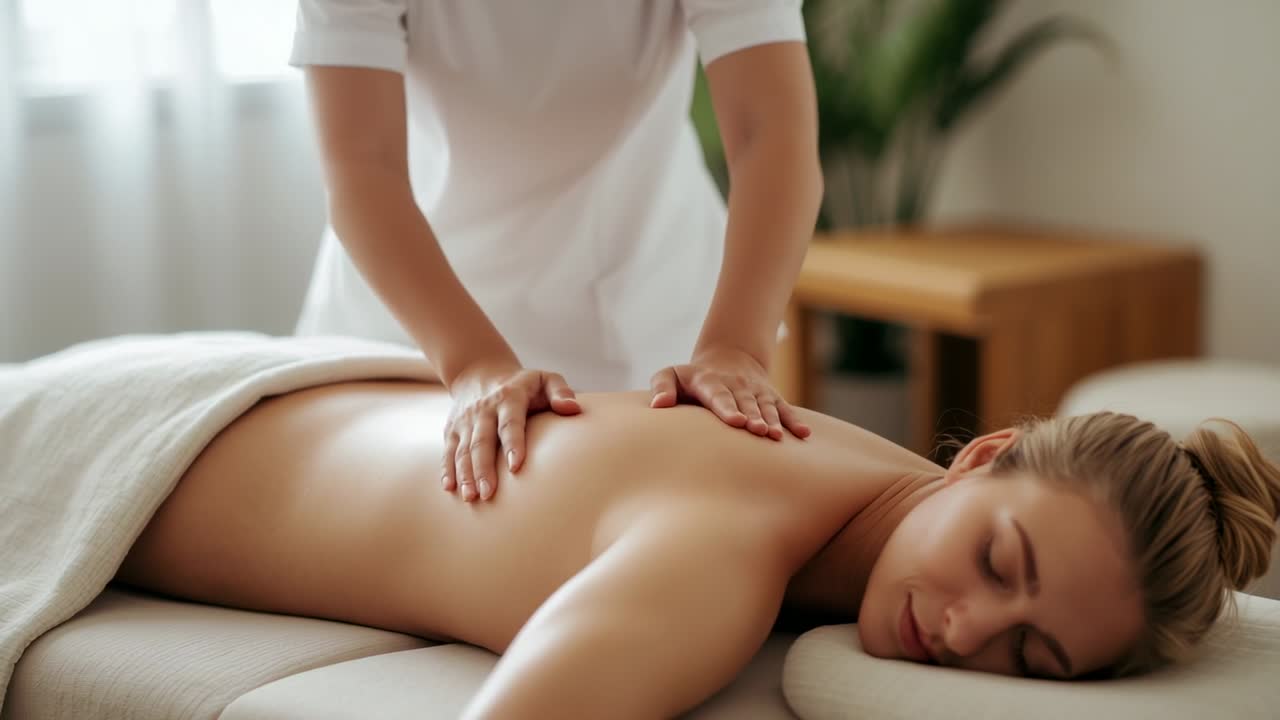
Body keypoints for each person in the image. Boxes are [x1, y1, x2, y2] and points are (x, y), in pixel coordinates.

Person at [114, 375, 1280, 718]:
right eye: (996, 563)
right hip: (147, 447)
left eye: (1030, 662)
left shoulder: (856, 465)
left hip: (319, 399)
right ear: (980, 455)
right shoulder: (720, 564)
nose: (964, 632)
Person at [288, 1, 824, 501]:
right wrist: (474, 365)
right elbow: (363, 168)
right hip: (417, 332)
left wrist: (736, 349)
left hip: (657, 320)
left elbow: (772, 135)